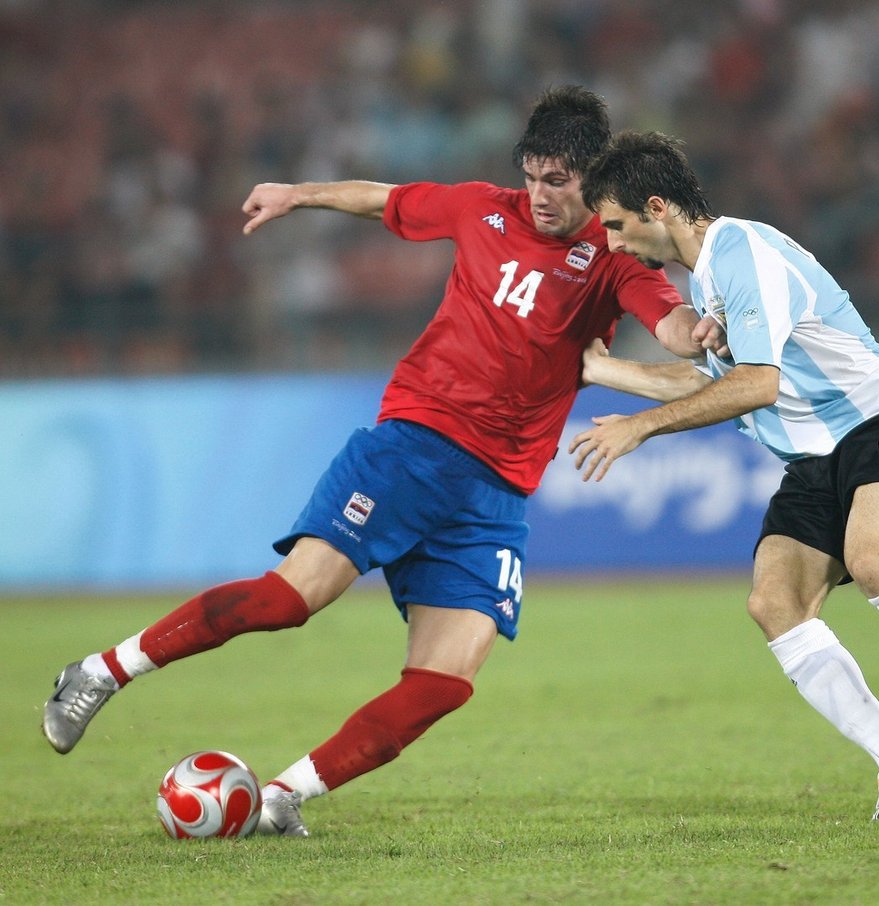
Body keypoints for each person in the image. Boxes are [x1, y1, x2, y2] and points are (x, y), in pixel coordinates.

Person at [41, 88, 724, 837]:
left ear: (592, 178)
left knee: (444, 682)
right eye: (531, 174)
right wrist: (296, 195)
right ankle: (102, 671)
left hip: (495, 496)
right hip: (414, 446)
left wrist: (708, 330)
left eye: (557, 179)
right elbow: (384, 200)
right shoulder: (480, 208)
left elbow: (674, 326)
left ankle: (280, 798)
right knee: (288, 601)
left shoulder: (612, 257)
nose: (539, 195)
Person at [569, 130, 879, 820]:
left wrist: (640, 427)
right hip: (813, 456)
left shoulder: (744, 255)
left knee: (874, 561)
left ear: (657, 205)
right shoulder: (710, 280)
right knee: (775, 604)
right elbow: (715, 379)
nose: (610, 243)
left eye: (614, 224)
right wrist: (601, 371)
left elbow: (756, 386)